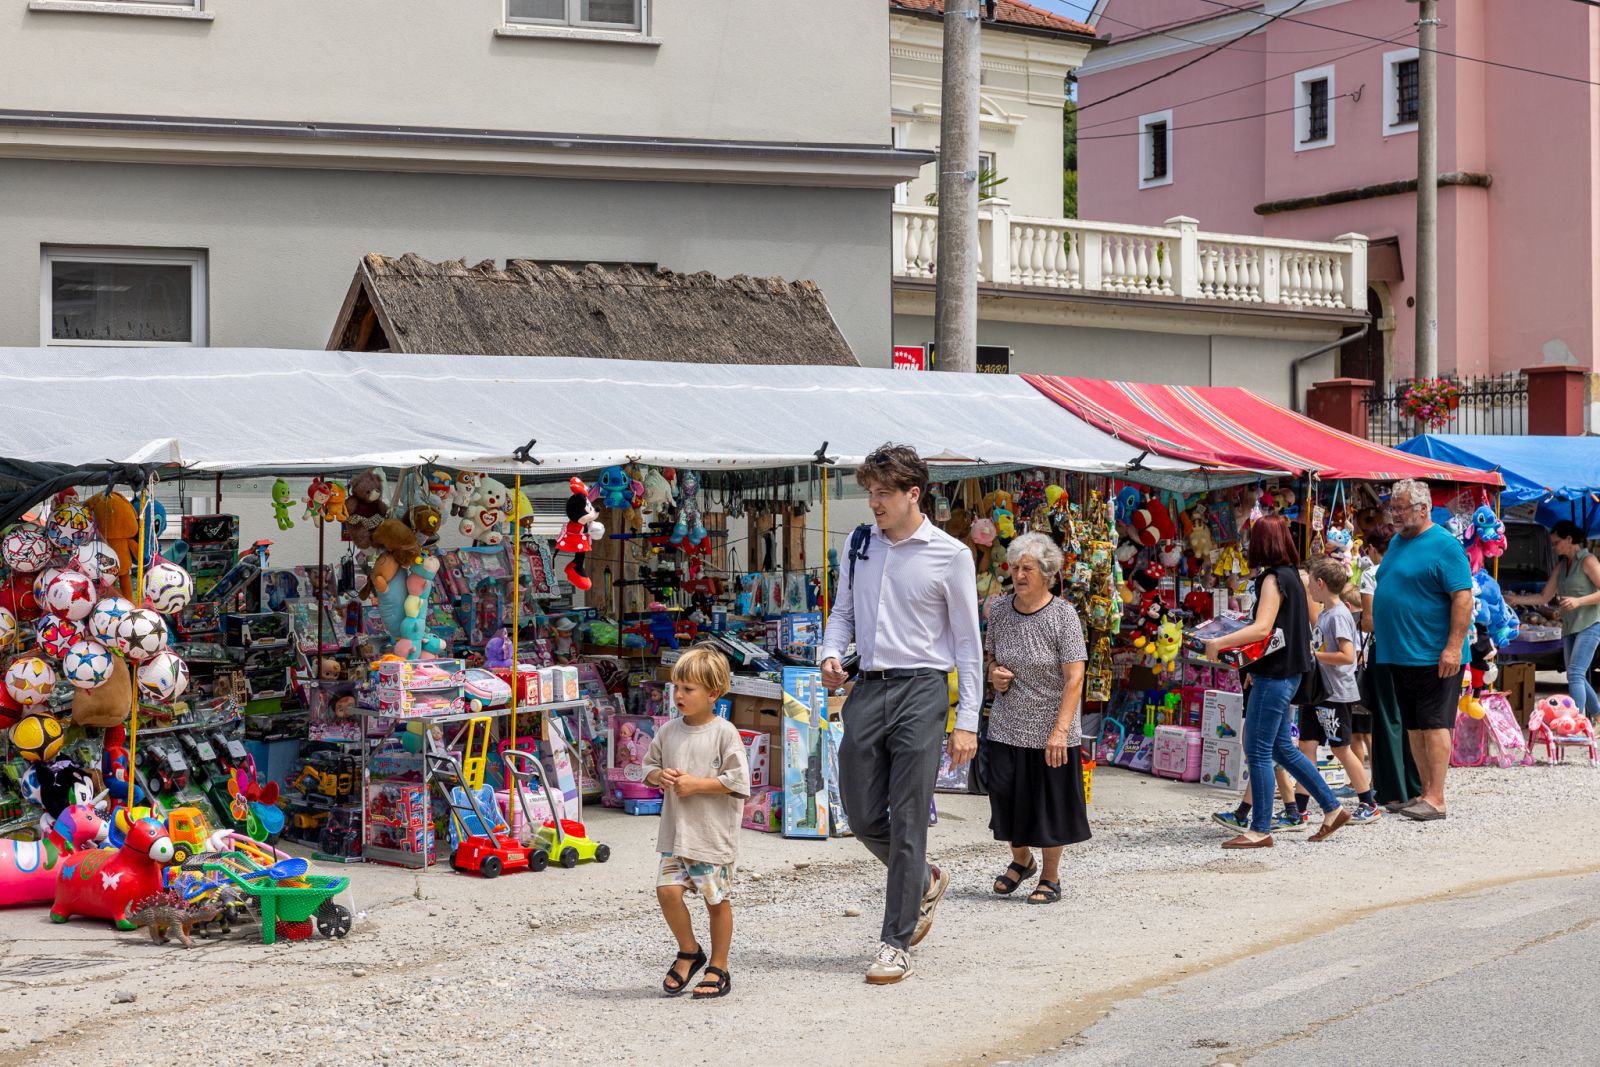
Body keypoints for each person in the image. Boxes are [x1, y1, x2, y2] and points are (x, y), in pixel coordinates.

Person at [819, 444, 981, 986]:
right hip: (868, 688)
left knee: (909, 816)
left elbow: (967, 644)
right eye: (869, 492)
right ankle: (925, 878)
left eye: (883, 492)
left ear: (914, 493)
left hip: (922, 691)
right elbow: (842, 612)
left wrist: (968, 721)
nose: (874, 502)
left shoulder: (952, 554)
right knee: (861, 813)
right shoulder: (859, 545)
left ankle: (895, 943)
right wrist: (830, 653)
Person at [1202, 514, 1350, 848]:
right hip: (1288, 674)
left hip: (1275, 676)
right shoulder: (1295, 577)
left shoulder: (1272, 579)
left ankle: (1260, 828)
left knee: (1257, 749)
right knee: (1283, 748)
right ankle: (1332, 807)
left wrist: (1218, 642)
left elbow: (1262, 628)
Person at [983, 532, 1091, 906]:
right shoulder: (998, 610)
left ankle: (1050, 876)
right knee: (1005, 796)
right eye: (1014, 567)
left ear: (1046, 572)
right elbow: (991, 658)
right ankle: (1021, 860)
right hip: (1007, 722)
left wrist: (1060, 731)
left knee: (1049, 802)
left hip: (1051, 727)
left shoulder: (1062, 615)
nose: (1018, 574)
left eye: (1026, 568)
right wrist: (995, 673)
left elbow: (1075, 677)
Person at [645, 646, 750, 1000]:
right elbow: (646, 768)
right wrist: (659, 775)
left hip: (711, 838)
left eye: (688, 689)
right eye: (676, 687)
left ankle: (719, 965)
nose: (678, 696)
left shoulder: (725, 733)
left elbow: (739, 782)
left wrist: (697, 784)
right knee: (666, 892)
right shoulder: (669, 731)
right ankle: (689, 950)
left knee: (715, 901)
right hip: (677, 835)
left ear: (713, 694)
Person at [1369, 480, 1473, 822]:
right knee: (1414, 726)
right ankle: (1422, 792)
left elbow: (1462, 597)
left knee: (1434, 724)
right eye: (1393, 509)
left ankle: (1437, 798)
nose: (1394, 515)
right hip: (1401, 653)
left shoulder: (1444, 546)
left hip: (1433, 653)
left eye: (1400, 509)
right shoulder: (1399, 541)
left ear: (1423, 509)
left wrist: (1453, 648)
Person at [1298, 558, 1380, 823]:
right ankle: (1299, 809)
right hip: (1319, 691)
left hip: (1335, 693)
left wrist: (1314, 656)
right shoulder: (1326, 613)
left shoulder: (1338, 616)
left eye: (1310, 582)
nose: (1308, 587)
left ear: (1320, 584)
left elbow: (1348, 656)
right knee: (1306, 746)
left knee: (1341, 748)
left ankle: (1369, 803)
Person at [1508, 519, 1600, 724]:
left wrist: (1579, 601)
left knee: (1575, 674)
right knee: (1576, 674)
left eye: (1556, 542)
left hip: (1590, 624)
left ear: (1569, 539)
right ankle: (1598, 716)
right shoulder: (1561, 565)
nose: (1553, 547)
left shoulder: (1588, 560)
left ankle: (1576, 722)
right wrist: (1514, 599)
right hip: (1570, 626)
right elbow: (1543, 597)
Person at [1352, 524, 1395, 767]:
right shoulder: (1407, 569)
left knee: (1382, 718)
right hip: (1411, 649)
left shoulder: (1372, 575)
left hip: (1384, 651)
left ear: (1371, 549)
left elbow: (1368, 623)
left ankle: (1380, 781)